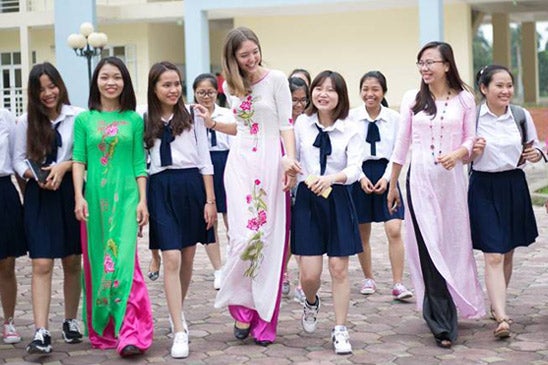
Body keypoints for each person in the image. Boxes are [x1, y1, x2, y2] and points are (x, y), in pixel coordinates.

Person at [387, 41, 485, 348]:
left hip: (451, 184)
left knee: (451, 244)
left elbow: (471, 138)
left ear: (446, 65)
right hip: (419, 181)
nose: (425, 68)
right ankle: (441, 321)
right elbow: (401, 144)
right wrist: (392, 183)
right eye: (421, 63)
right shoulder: (412, 99)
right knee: (428, 247)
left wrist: (458, 153)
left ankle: (454, 300)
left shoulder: (465, 99)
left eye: (430, 62)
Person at [212, 26, 300, 346]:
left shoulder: (276, 79)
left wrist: (289, 159)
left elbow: (284, 123)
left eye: (254, 51)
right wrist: (213, 123)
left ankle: (264, 320)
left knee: (268, 240)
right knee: (242, 238)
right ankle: (241, 309)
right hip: (239, 165)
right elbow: (243, 125)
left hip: (270, 162)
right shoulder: (231, 85)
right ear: (233, 57)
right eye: (243, 54)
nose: (251, 59)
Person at [72, 56, 153, 357]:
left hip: (127, 196)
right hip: (94, 200)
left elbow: (137, 163)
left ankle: (133, 331)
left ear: (125, 82)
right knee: (97, 261)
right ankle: (106, 328)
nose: (111, 82)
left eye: (116, 77)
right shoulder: (85, 119)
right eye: (105, 77)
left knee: (125, 262)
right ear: (96, 81)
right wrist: (78, 196)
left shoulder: (133, 119)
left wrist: (143, 200)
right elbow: (80, 159)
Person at [144, 62, 216, 358]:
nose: (173, 90)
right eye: (166, 85)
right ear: (154, 88)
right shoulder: (143, 118)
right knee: (170, 256)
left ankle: (178, 312)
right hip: (160, 187)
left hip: (191, 186)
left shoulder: (193, 114)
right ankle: (178, 331)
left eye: (177, 84)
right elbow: (141, 163)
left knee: (187, 257)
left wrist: (210, 201)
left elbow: (205, 159)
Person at [12, 62, 83, 354]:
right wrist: (34, 175)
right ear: (33, 93)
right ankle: (41, 331)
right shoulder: (25, 122)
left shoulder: (78, 117)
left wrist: (64, 166)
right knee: (41, 262)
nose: (48, 93)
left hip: (70, 191)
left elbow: (85, 155)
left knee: (71, 261)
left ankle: (70, 320)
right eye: (41, 89)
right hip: (40, 194)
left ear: (60, 85)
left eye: (52, 86)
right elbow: (17, 159)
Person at [291, 70, 363, 355]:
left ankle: (340, 329)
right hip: (308, 200)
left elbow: (356, 168)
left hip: (338, 197)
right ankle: (311, 301)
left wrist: (332, 179)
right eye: (318, 88)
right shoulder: (301, 124)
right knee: (309, 274)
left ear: (340, 96)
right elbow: (293, 156)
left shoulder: (351, 127)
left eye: (330, 90)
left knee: (339, 268)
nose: (323, 94)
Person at [470, 64, 544, 339]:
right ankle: (501, 316)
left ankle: (496, 302)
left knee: (508, 250)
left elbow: (535, 145)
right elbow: (461, 153)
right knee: (494, 253)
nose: (505, 90)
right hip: (483, 186)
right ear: (484, 88)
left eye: (509, 85)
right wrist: (471, 152)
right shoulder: (473, 117)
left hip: (514, 185)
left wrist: (536, 154)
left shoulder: (520, 115)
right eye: (499, 85)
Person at [349, 71, 412, 300]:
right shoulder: (351, 117)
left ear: (383, 91)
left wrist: (388, 179)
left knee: (394, 229)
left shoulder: (394, 118)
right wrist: (360, 177)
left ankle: (398, 283)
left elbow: (399, 151)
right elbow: (349, 151)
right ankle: (368, 278)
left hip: (388, 173)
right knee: (362, 230)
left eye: (375, 89)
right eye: (365, 89)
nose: (370, 94)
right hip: (360, 174)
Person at [192, 73, 236, 290]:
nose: (205, 97)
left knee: (232, 218)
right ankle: (218, 269)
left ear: (216, 92)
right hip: (202, 165)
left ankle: (233, 263)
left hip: (225, 163)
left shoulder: (227, 114)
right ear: (194, 93)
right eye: (201, 92)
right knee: (209, 219)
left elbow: (235, 141)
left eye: (209, 92)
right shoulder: (189, 115)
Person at [0, 108, 26, 345]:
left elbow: (17, 159)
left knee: (6, 263)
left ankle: (8, 321)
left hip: (3, 191)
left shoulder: (5, 116)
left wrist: (28, 200)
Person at [282, 76, 309, 303]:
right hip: (281, 186)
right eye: (294, 100)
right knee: (285, 237)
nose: (299, 105)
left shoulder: (309, 122)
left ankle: (302, 282)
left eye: (303, 100)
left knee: (301, 236)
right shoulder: (281, 124)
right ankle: (282, 273)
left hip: (303, 187)